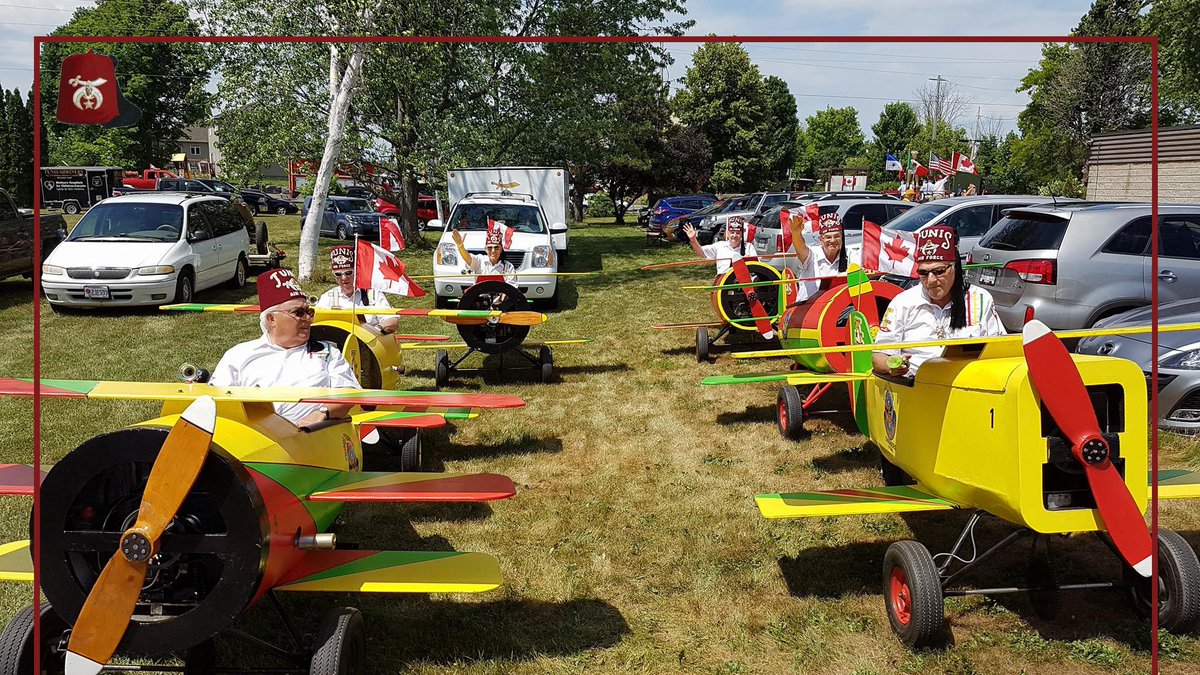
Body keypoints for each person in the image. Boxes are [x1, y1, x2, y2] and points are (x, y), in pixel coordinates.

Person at [210, 268, 360, 427]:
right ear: (271, 319)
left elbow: (348, 394)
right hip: (254, 439)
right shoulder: (239, 355)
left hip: (310, 438)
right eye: (299, 312)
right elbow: (215, 401)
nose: (307, 319)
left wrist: (322, 413)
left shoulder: (327, 352)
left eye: (309, 311)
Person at [872, 224, 1006, 377]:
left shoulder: (980, 299)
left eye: (939, 271)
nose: (931, 280)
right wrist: (893, 366)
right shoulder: (903, 303)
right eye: (923, 273)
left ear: (955, 267)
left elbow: (1000, 349)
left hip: (968, 385)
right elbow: (878, 356)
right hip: (916, 387)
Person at [315, 245, 399, 335]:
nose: (343, 278)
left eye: (348, 273)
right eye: (338, 274)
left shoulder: (372, 294)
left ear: (357, 272)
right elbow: (316, 324)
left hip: (371, 343)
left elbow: (392, 320)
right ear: (333, 276)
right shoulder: (328, 297)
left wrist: (375, 332)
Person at [789, 210, 861, 301]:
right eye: (828, 237)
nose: (833, 240)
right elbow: (800, 248)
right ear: (820, 240)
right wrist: (796, 233)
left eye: (837, 236)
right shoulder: (812, 254)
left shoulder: (850, 255)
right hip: (808, 307)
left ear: (842, 237)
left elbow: (863, 270)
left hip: (837, 308)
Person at [683, 216, 756, 275]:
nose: (734, 235)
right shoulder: (720, 246)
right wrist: (693, 240)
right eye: (732, 232)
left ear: (741, 234)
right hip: (723, 284)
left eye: (738, 233)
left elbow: (757, 267)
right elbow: (701, 253)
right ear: (727, 233)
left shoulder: (748, 247)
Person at [451, 222, 517, 284]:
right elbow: (468, 259)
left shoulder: (508, 267)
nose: (493, 251)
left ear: (501, 249)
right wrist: (461, 246)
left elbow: (511, 288)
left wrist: (501, 296)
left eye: (496, 248)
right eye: (490, 248)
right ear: (485, 249)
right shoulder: (480, 261)